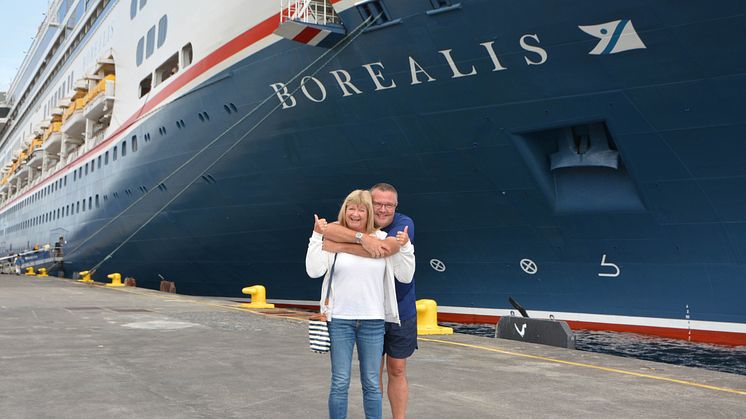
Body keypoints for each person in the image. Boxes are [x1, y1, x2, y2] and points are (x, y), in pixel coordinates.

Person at [306, 189, 415, 419]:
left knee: (372, 384)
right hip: (340, 320)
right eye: (351, 208)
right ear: (345, 212)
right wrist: (316, 237)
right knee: (339, 382)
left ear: (369, 214)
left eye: (361, 209)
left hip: (373, 321)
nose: (356, 214)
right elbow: (314, 271)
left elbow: (404, 276)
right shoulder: (333, 236)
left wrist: (405, 248)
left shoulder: (385, 240)